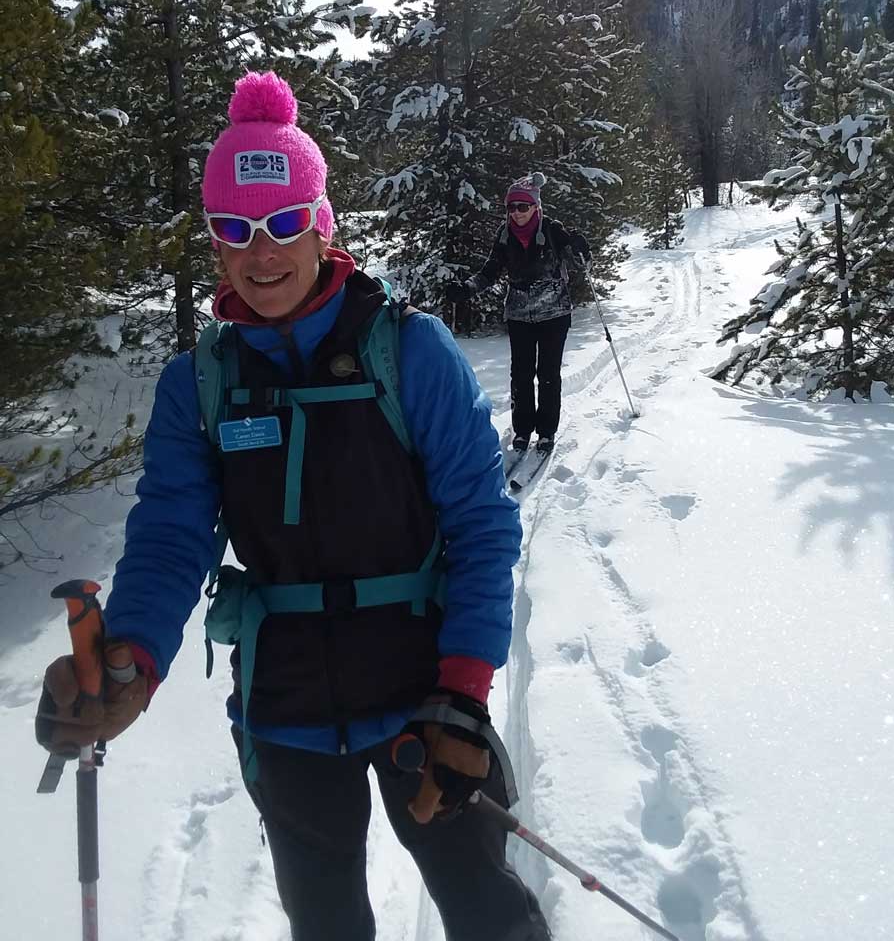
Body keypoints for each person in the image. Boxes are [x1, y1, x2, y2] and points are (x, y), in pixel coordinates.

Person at [35, 72, 551, 941]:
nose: (260, 252)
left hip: (424, 695)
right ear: (215, 242)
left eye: (281, 225)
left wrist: (464, 690)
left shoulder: (410, 350)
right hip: (284, 707)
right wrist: (132, 661)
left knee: (488, 913)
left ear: (321, 226)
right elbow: (169, 538)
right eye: (234, 230)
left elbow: (482, 524)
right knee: (326, 925)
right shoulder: (199, 383)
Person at [451, 173, 591, 456]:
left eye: (522, 207)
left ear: (535, 207)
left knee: (548, 374)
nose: (516, 213)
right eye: (511, 207)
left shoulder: (552, 230)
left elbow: (580, 265)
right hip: (519, 316)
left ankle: (547, 431)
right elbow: (490, 271)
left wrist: (580, 247)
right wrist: (467, 289)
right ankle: (523, 429)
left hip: (554, 314)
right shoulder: (505, 236)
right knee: (521, 375)